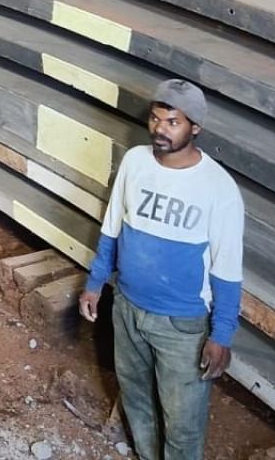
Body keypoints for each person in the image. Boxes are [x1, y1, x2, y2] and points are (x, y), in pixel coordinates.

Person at [79, 79, 244, 460]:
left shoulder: (218, 188)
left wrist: (221, 335)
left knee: (182, 425)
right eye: (155, 119)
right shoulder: (135, 161)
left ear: (195, 128)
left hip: (181, 326)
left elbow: (227, 271)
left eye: (173, 122)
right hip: (127, 308)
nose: (160, 130)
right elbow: (112, 227)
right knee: (136, 399)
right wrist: (95, 284)